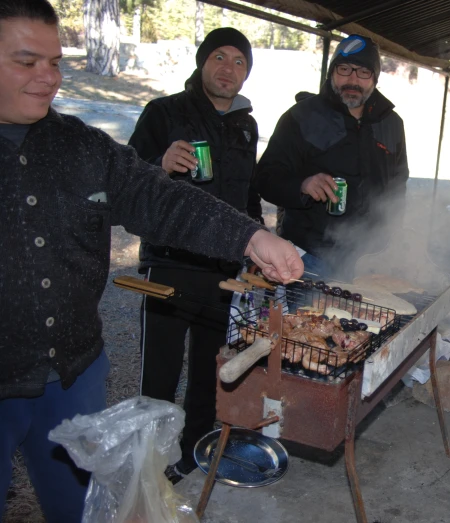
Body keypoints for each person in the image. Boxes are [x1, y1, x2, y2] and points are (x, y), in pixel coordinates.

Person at [0, 2, 303, 521]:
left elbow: (161, 199)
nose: (47, 79)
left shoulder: (82, 146)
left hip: (74, 372)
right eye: (27, 62)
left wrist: (251, 237)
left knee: (81, 509)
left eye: (55, 63)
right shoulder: (165, 111)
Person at [127, 27, 261, 482]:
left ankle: (194, 452)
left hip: (223, 270)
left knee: (211, 371)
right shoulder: (163, 112)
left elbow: (249, 195)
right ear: (203, 62)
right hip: (169, 263)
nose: (229, 68)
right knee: (159, 376)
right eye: (219, 57)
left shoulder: (247, 123)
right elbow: (124, 180)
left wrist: (258, 243)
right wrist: (157, 165)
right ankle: (149, 461)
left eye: (239, 61)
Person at [255, 34, 409, 278]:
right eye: (344, 69)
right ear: (332, 73)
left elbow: (398, 187)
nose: (352, 79)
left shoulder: (391, 123)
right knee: (309, 317)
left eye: (363, 72)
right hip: (310, 256)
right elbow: (266, 178)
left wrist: (395, 239)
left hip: (370, 259)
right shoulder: (301, 117)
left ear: (375, 78)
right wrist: (303, 185)